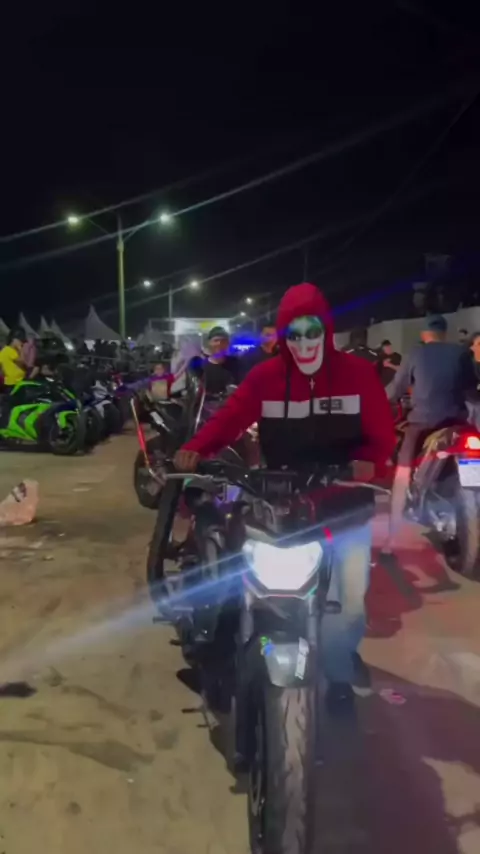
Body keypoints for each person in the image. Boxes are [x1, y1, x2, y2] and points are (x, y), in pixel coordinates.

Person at [175, 282, 396, 709]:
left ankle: (337, 672)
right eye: (294, 333)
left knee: (349, 602)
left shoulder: (357, 374)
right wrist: (196, 449)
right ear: (283, 336)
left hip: (346, 507)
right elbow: (230, 419)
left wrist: (369, 462)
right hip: (282, 507)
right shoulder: (266, 377)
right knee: (253, 587)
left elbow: (382, 435)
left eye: (313, 331)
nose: (305, 342)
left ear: (326, 330)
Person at [386, 315, 477, 555]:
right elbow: (471, 390)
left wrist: (380, 398)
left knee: (402, 474)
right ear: (444, 333)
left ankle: (390, 541)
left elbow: (396, 388)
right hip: (458, 425)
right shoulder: (461, 353)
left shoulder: (416, 353)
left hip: (423, 424)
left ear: (424, 334)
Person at [189, 326, 241, 395]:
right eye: (216, 340)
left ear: (228, 343)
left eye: (223, 341)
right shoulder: (201, 367)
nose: (219, 344)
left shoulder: (237, 364)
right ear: (209, 343)